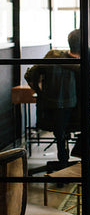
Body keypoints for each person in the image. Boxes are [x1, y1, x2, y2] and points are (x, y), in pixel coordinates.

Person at [25, 29, 81, 170]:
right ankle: (74, 156)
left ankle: (63, 159)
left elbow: (29, 76)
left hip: (48, 111)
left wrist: (40, 93)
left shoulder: (52, 56)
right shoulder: (82, 65)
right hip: (74, 116)